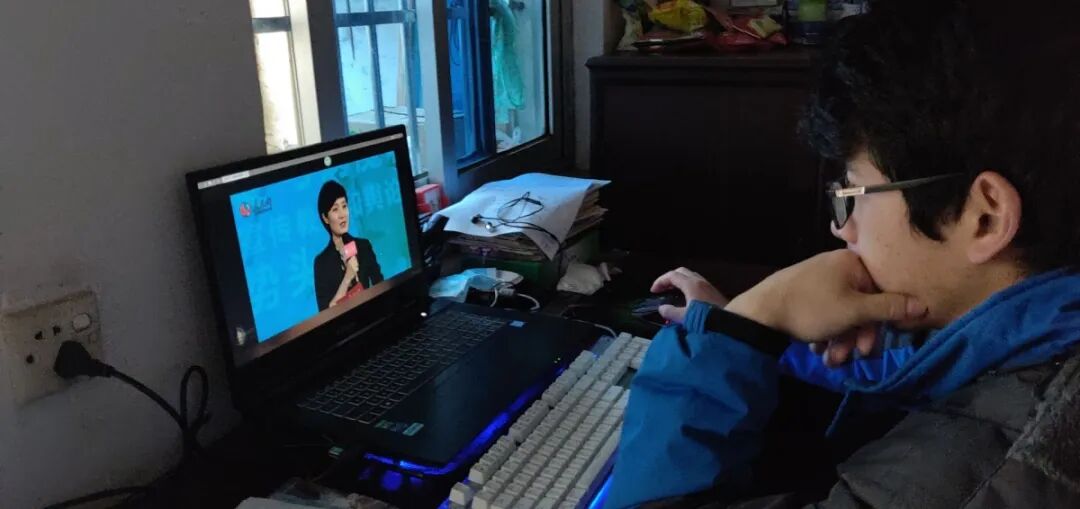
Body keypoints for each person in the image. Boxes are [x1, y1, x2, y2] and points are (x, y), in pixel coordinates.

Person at [605, 0, 1080, 507]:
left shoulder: (985, 471)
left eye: (854, 193)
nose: (842, 228)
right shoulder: (1030, 331)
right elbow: (901, 368)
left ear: (983, 217)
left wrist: (737, 331)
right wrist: (754, 330)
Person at [313, 181, 383, 311]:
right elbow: (325, 312)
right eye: (335, 209)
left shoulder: (363, 246)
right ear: (325, 218)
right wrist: (347, 277)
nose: (342, 215)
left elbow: (380, 286)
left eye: (344, 206)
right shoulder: (321, 263)